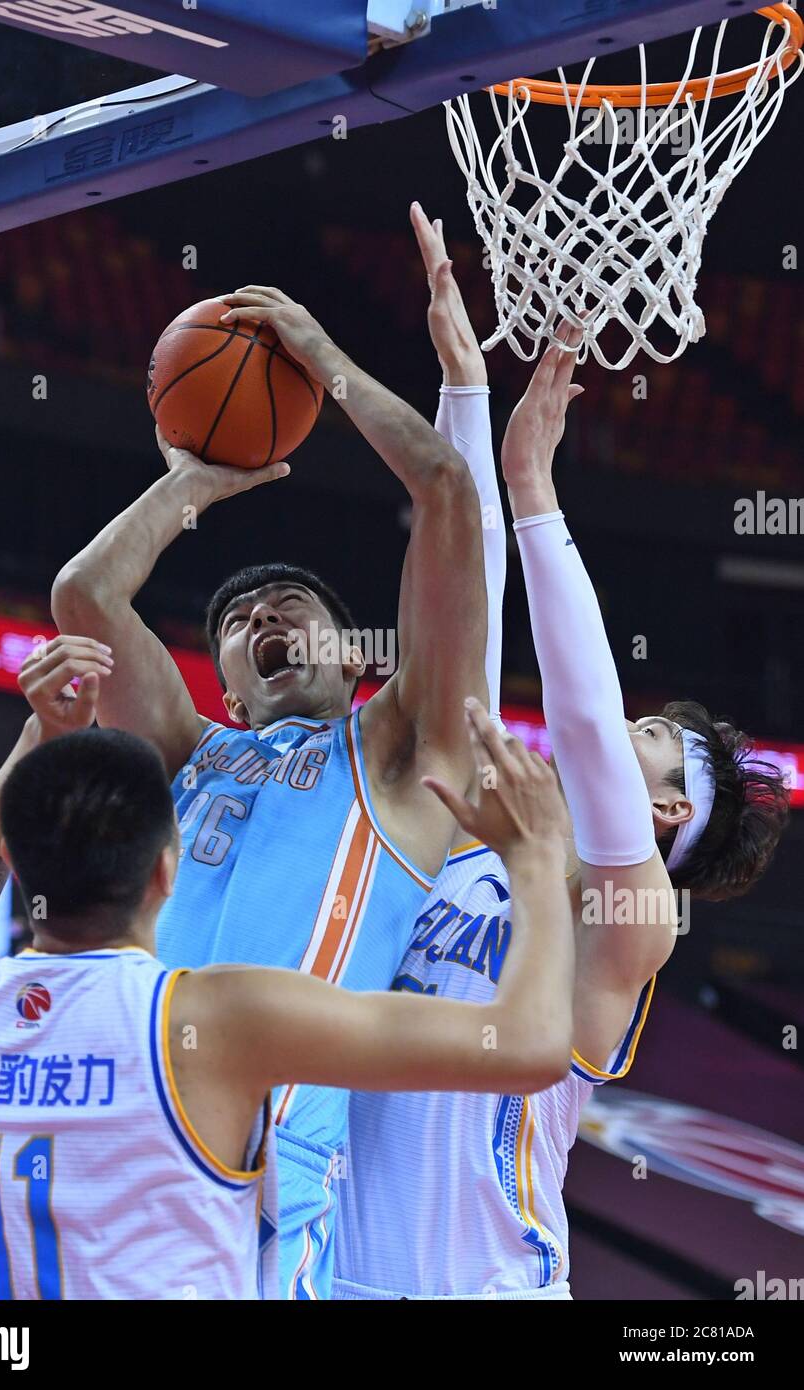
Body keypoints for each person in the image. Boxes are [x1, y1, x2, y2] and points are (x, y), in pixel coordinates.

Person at [333, 228, 791, 1300]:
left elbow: (582, 735)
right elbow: (462, 677)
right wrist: (462, 398)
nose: (620, 724)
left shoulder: (628, 930)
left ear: (669, 806)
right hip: (331, 1277)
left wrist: (532, 486)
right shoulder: (486, 848)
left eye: (653, 738)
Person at [49, 249, 490, 1297]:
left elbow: (441, 487)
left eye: (298, 608)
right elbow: (85, 599)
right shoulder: (195, 754)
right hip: (113, 1121)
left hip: (265, 1166)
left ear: (361, 661)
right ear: (231, 693)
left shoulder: (397, 750)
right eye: (242, 620)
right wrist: (191, 485)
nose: (267, 616)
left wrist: (323, 365)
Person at [0, 643, 574, 1300]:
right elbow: (529, 1046)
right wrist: (537, 857)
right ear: (169, 868)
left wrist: (40, 740)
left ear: (12, 862)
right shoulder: (213, 1020)